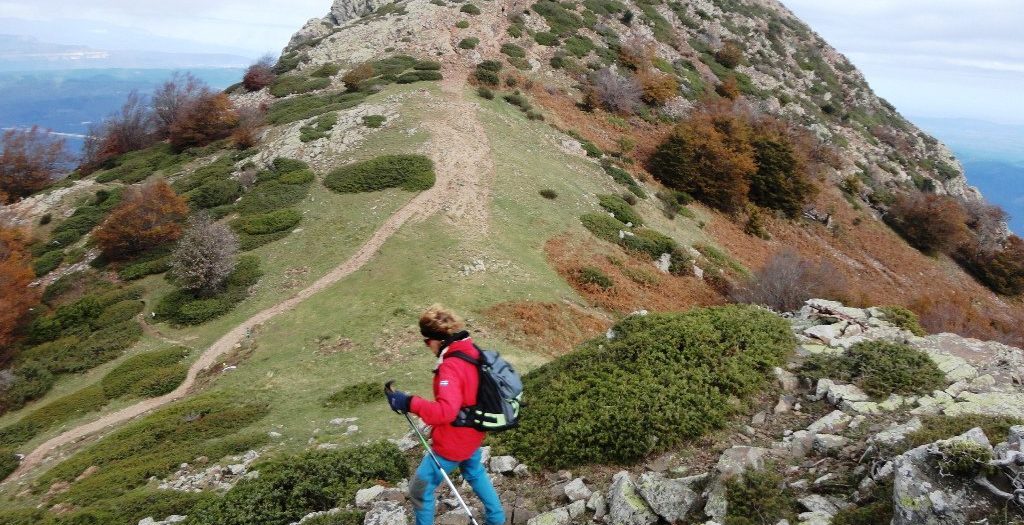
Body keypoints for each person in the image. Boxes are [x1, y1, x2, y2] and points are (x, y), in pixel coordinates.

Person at [385, 305, 506, 525]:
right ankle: (497, 518)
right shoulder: (470, 351)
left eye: (426, 341)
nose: (426, 346)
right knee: (474, 471)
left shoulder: (451, 366)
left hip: (453, 443)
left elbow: (446, 412)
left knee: (419, 489)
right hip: (473, 433)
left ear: (436, 339)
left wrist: (409, 402)